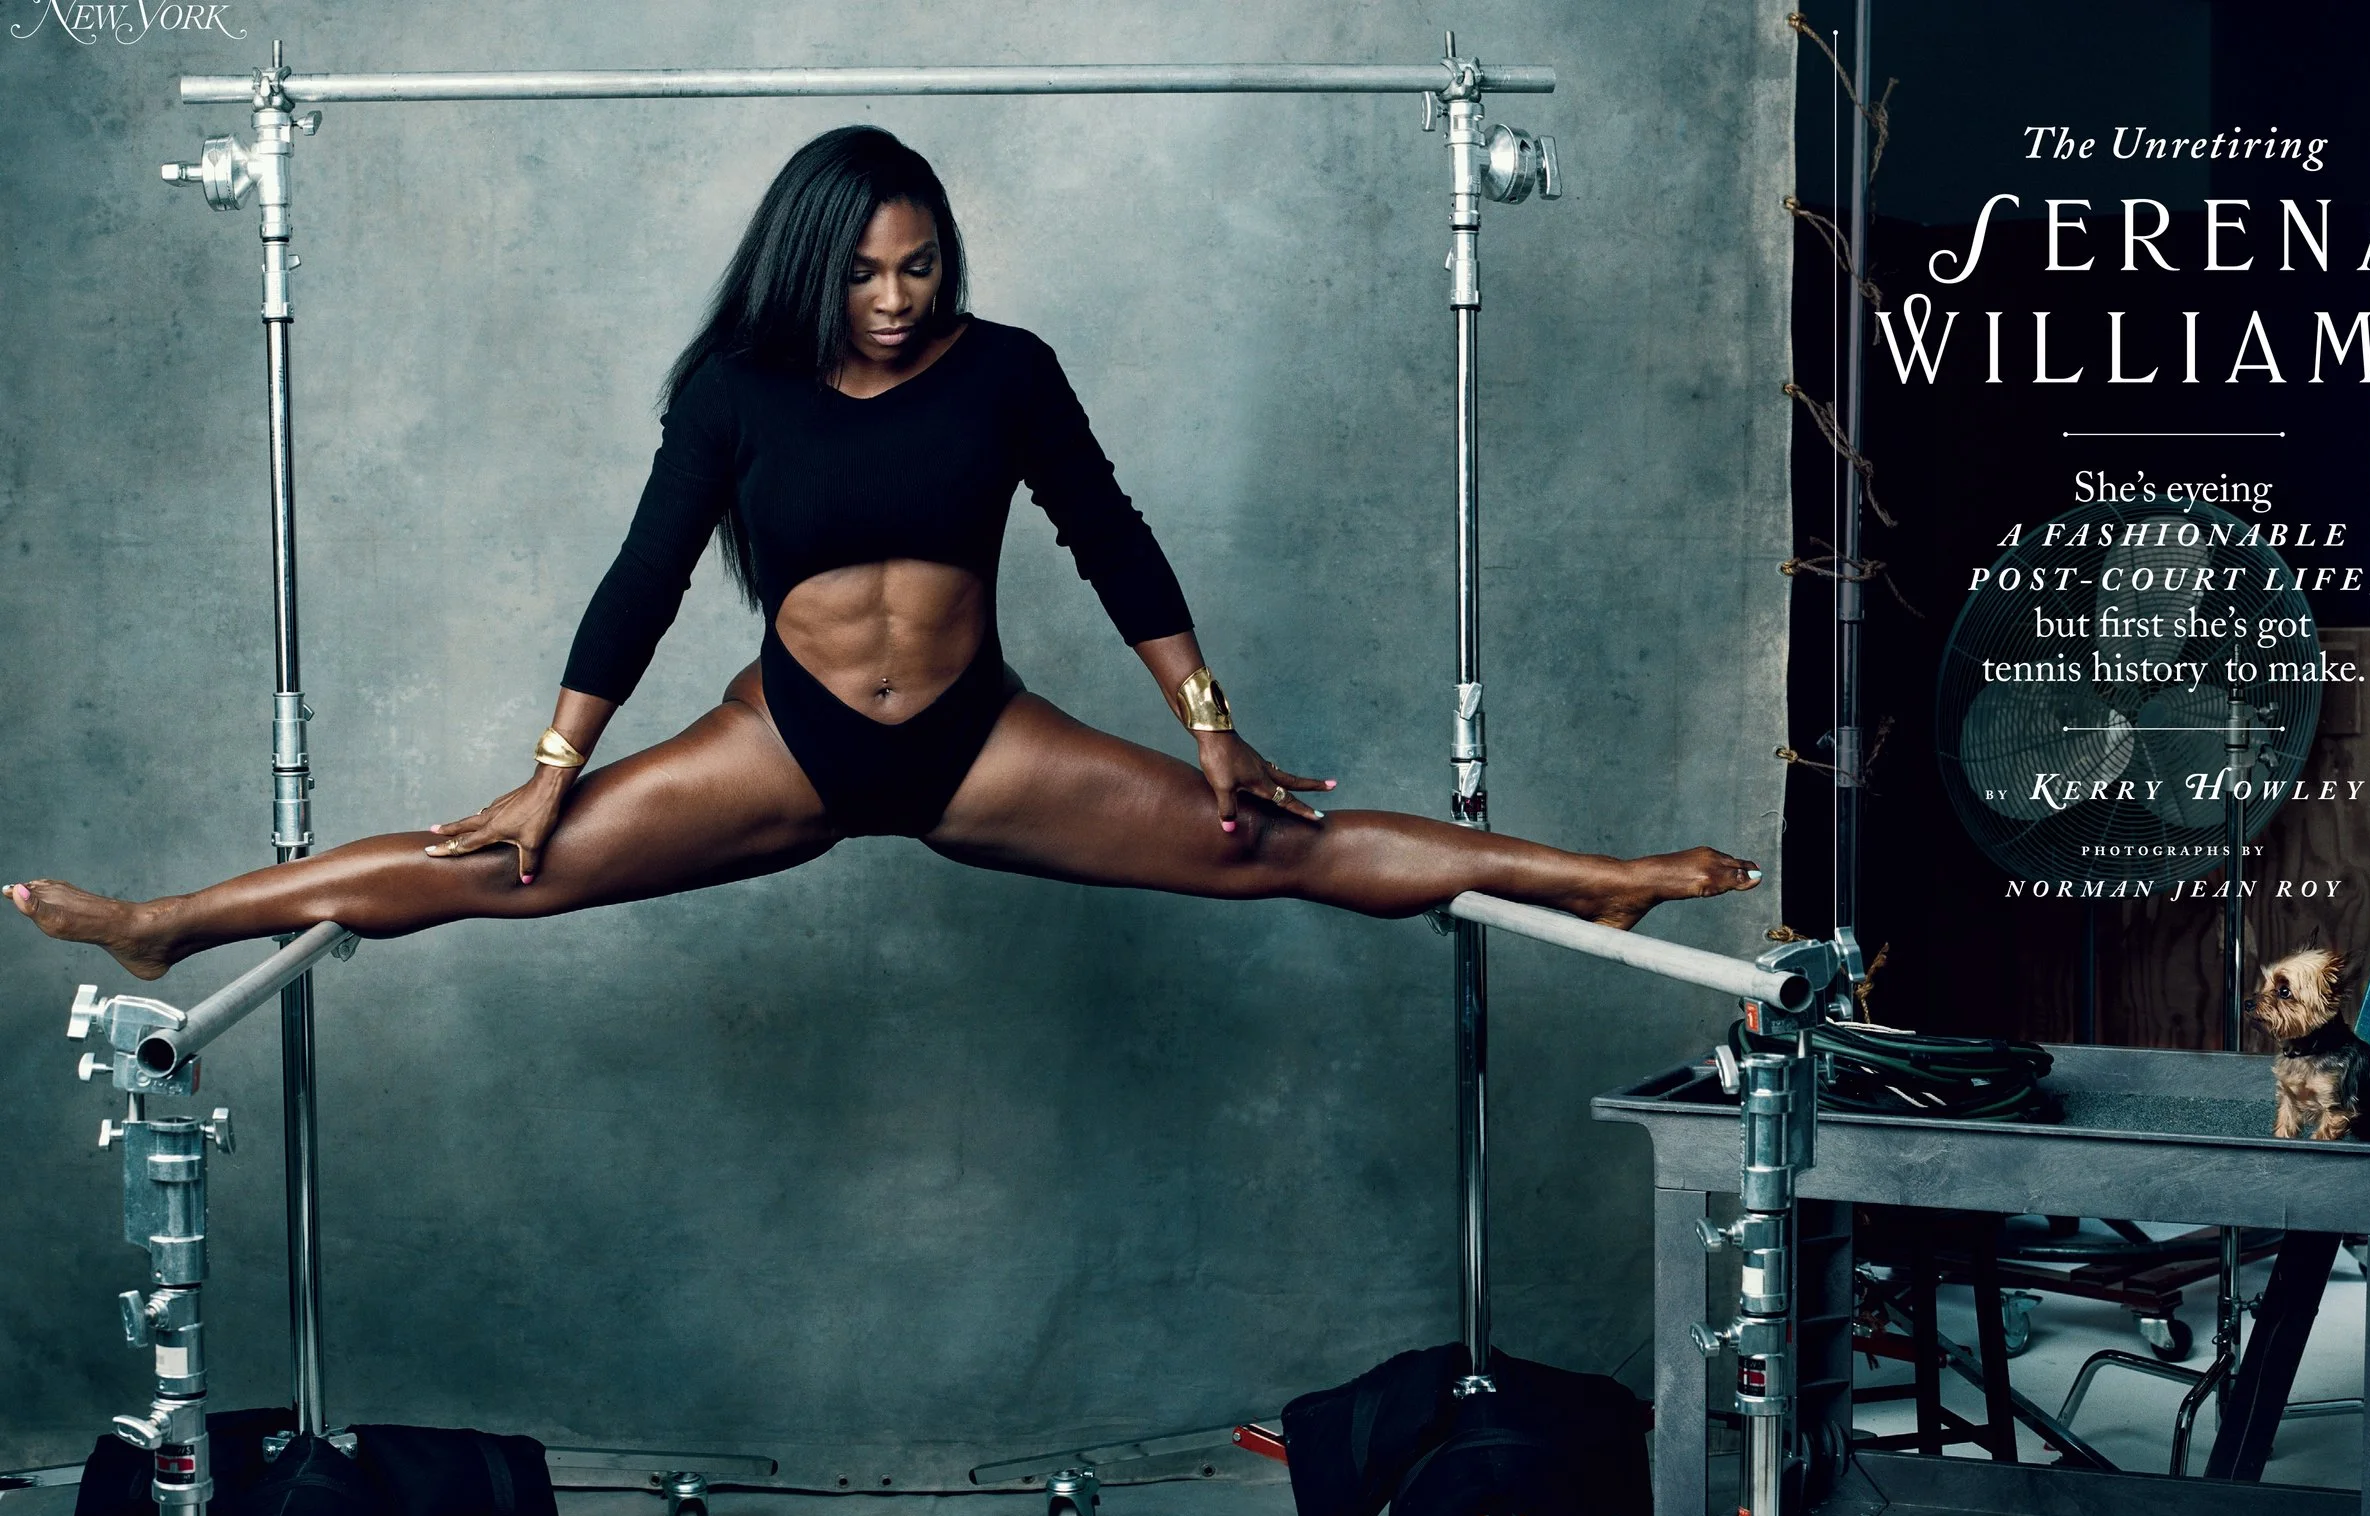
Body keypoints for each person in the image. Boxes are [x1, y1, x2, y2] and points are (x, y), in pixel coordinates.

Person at [8, 126, 1758, 984]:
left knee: (1275, 850)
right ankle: (169, 924)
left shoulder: (1007, 372)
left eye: (923, 264)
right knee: (494, 865)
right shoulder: (737, 390)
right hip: (783, 737)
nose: (903, 296)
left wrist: (1209, 719)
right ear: (813, 263)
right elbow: (637, 577)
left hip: (977, 741)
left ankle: (1583, 878)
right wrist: (553, 769)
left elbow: (1113, 537)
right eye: (869, 270)